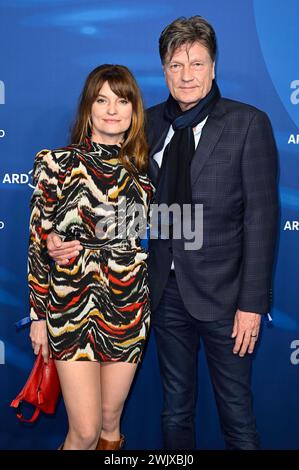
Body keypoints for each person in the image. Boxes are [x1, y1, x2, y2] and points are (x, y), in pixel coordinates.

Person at [47, 16, 278, 450]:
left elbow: (262, 220)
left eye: (196, 63)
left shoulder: (248, 123)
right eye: (175, 65)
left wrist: (252, 303)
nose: (186, 75)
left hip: (227, 301)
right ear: (164, 69)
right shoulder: (146, 125)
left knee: (237, 415)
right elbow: (124, 210)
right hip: (162, 294)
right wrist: (67, 239)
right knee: (174, 410)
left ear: (213, 67)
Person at [28, 64, 153, 450]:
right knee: (83, 430)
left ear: (134, 110)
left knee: (110, 422)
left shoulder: (143, 175)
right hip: (71, 307)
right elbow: (37, 245)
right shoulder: (57, 164)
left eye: (121, 99)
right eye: (102, 99)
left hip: (128, 307)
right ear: (88, 107)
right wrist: (38, 315)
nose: (112, 109)